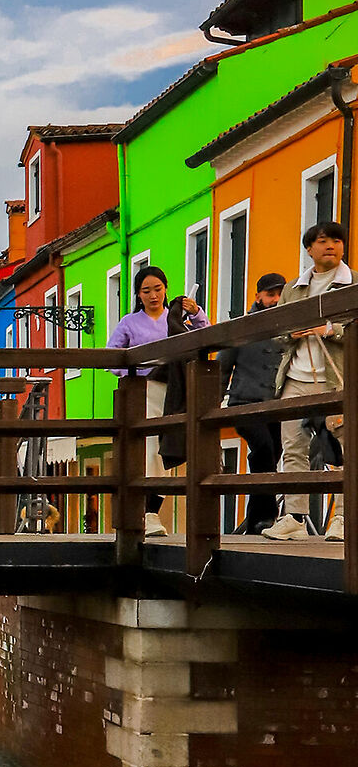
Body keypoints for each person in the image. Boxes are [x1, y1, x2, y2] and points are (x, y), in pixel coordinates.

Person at [263, 221, 352, 543]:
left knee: (344, 449)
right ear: (309, 248)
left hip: (336, 379)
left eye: (336, 241)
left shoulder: (352, 283)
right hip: (295, 377)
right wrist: (291, 333)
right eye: (323, 241)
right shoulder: (293, 288)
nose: (331, 246)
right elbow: (277, 332)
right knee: (293, 449)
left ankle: (342, 518)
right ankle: (294, 518)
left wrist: (330, 330)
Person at [108, 266, 206, 534]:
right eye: (146, 291)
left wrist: (196, 313)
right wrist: (140, 370)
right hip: (146, 390)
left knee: (169, 448)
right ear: (138, 295)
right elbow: (110, 357)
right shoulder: (129, 322)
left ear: (166, 289)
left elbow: (204, 336)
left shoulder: (175, 321)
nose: (153, 295)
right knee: (151, 450)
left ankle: (152, 511)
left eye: (158, 289)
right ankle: (149, 513)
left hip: (174, 389)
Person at [216, 272, 287, 537]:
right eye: (271, 294)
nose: (276, 300)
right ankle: (266, 517)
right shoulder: (241, 327)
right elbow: (222, 368)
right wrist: (214, 408)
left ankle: (257, 520)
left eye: (280, 294)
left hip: (278, 405)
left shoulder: (289, 325)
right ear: (257, 296)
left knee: (271, 453)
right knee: (265, 449)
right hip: (244, 403)